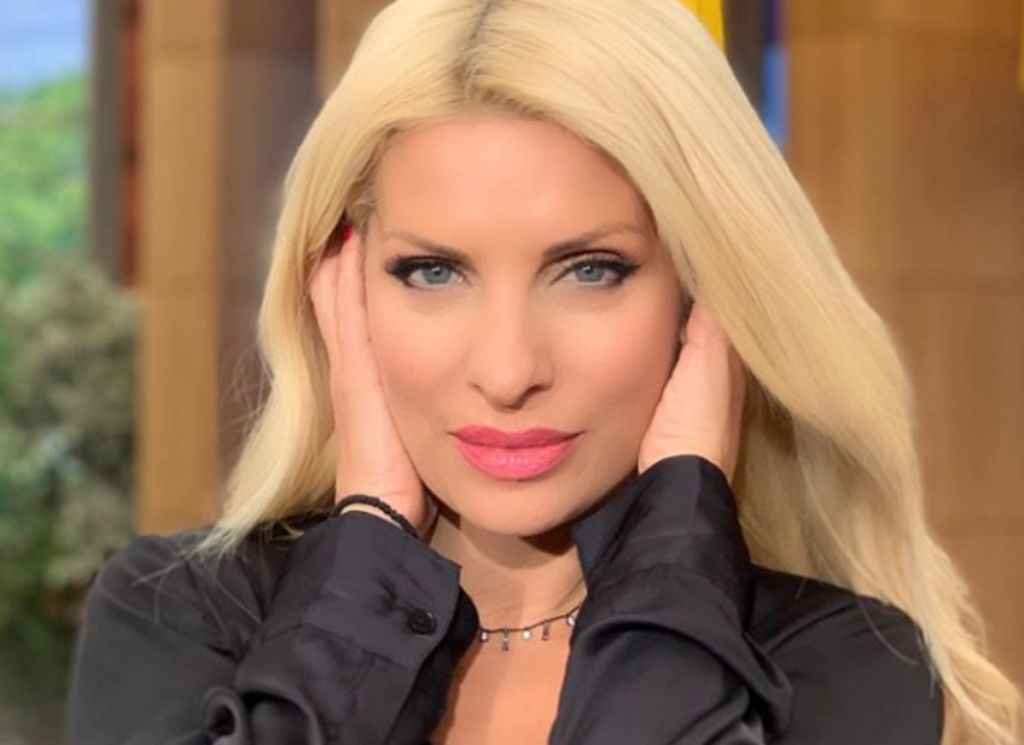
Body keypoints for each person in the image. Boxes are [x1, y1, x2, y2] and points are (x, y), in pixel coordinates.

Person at [66, 1, 1021, 744]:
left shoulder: (841, 664)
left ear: (705, 296)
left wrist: (676, 554)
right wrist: (367, 562)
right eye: (432, 272)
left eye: (591, 270)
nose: (508, 370)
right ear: (342, 288)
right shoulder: (179, 618)